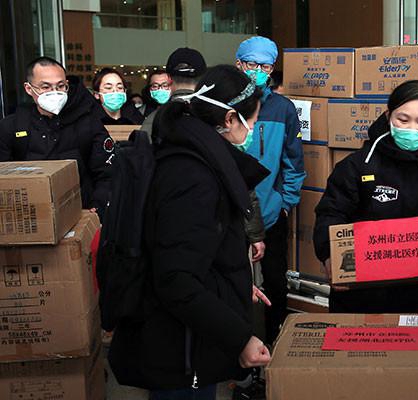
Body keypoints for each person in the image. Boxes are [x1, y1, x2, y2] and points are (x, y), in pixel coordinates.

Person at [108, 65, 272, 399]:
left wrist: (235, 285)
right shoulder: (193, 176)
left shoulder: (197, 155)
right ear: (229, 119)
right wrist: (240, 339)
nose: (253, 130)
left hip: (189, 340)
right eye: (252, 121)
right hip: (180, 350)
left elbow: (199, 253)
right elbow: (176, 280)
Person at [313, 80, 418, 314]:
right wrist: (329, 254)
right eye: (403, 120)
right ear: (388, 116)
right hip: (363, 294)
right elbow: (331, 213)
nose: (412, 129)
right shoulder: (358, 166)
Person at [236, 36, 306, 344]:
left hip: (271, 213)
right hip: (231, 214)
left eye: (265, 66)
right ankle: (237, 347)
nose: (258, 71)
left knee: (276, 284)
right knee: (232, 283)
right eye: (252, 64)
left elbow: (294, 162)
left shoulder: (283, 109)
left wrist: (285, 203)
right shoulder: (224, 106)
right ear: (239, 64)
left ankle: (276, 341)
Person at [0, 56, 112, 213]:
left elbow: (106, 172)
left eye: (60, 86)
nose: (55, 92)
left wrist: (97, 205)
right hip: (32, 213)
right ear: (29, 89)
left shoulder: (87, 122)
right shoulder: (12, 126)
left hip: (82, 210)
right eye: (45, 87)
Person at [141, 47, 206, 139]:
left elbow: (143, 145)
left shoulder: (155, 119)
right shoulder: (213, 116)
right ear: (203, 78)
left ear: (169, 78)